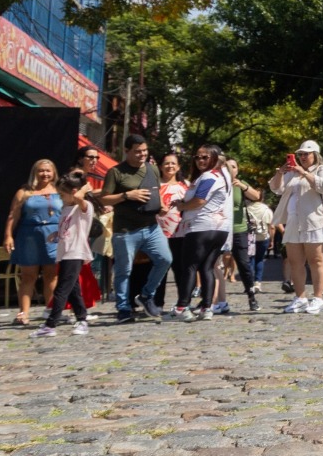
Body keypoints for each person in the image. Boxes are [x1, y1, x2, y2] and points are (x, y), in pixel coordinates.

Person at [96, 135, 170, 322]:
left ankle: (146, 295)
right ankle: (123, 308)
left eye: (144, 150)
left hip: (151, 227)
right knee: (124, 270)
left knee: (165, 259)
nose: (142, 154)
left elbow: (156, 193)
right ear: (126, 151)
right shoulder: (116, 172)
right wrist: (127, 195)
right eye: (137, 151)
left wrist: (161, 206)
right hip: (126, 231)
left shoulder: (152, 169)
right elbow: (103, 199)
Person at [270, 140, 323, 315]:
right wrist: (280, 172)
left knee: (316, 260)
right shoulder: (293, 173)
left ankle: (318, 298)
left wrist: (305, 173)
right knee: (295, 261)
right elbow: (275, 188)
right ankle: (300, 298)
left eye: (306, 154)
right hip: (293, 221)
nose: (303, 157)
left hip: (314, 220)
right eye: (300, 154)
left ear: (315, 155)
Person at [170, 145, 231, 320]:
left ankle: (182, 306)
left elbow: (199, 201)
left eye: (205, 157)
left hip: (202, 227)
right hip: (219, 229)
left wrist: (182, 206)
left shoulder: (208, 176)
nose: (200, 161)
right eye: (197, 157)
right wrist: (182, 202)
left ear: (214, 158)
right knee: (207, 267)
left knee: (189, 266)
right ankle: (207, 308)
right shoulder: (221, 176)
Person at [33, 171, 96, 337]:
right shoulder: (67, 208)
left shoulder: (84, 206)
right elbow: (69, 227)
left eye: (62, 195)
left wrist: (84, 188)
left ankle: (50, 324)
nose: (60, 198)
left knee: (62, 289)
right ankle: (82, 319)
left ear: (74, 192)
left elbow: (79, 198)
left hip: (75, 252)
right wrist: (56, 234)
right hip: (65, 252)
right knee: (73, 290)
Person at [4, 159, 60, 325]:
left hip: (54, 235)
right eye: (41, 170)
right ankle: (23, 313)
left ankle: (51, 311)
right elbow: (13, 215)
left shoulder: (60, 190)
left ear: (54, 173)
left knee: (52, 274)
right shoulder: (24, 192)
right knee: (29, 275)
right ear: (34, 173)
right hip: (30, 235)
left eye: (48, 171)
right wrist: (8, 235)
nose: (45, 174)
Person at [218, 158, 263, 313]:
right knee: (211, 263)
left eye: (234, 167)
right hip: (219, 229)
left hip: (238, 229)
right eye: (227, 166)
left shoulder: (240, 184)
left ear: (237, 170)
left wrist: (243, 186)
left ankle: (251, 296)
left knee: (244, 264)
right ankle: (211, 299)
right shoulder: (217, 182)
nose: (230, 169)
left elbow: (256, 196)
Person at [158, 152, 190, 311]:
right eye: (166, 163)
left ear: (178, 167)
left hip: (181, 233)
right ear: (160, 166)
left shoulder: (186, 186)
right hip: (158, 234)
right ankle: (157, 303)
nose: (170, 166)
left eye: (173, 163)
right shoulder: (155, 185)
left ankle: (183, 303)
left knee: (180, 270)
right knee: (159, 270)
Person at [247, 195, 274, 286]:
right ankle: (257, 282)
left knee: (250, 259)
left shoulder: (246, 209)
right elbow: (272, 227)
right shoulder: (267, 210)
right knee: (260, 259)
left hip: (250, 237)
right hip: (263, 236)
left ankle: (250, 282)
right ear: (262, 198)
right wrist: (272, 240)